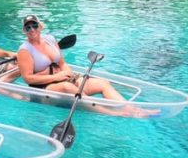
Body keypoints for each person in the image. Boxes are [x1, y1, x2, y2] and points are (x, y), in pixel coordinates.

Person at [16, 15, 159, 117]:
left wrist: (68, 73)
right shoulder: (24, 50)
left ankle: (133, 109)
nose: (32, 29)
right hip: (43, 88)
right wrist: (57, 76)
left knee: (103, 83)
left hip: (62, 78)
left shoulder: (50, 40)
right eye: (28, 28)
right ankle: (115, 113)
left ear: (40, 26)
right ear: (24, 31)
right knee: (68, 88)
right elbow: (28, 78)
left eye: (34, 25)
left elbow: (62, 63)